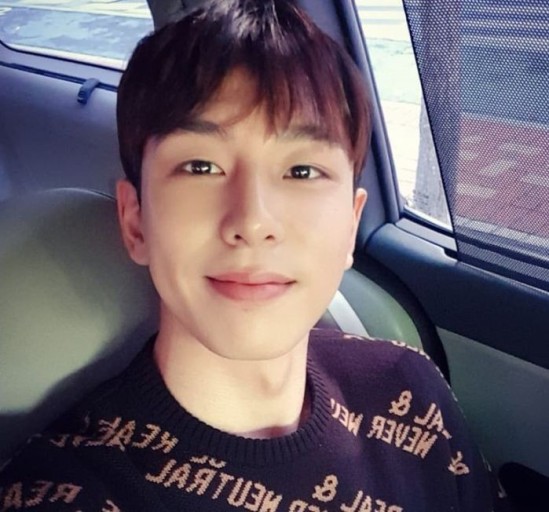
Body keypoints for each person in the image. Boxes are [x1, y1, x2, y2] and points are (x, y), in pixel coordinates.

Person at [0, 1, 509, 510]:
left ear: (350, 226)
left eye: (302, 172)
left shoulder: (411, 393)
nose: (252, 220)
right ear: (136, 222)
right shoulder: (63, 494)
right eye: (201, 167)